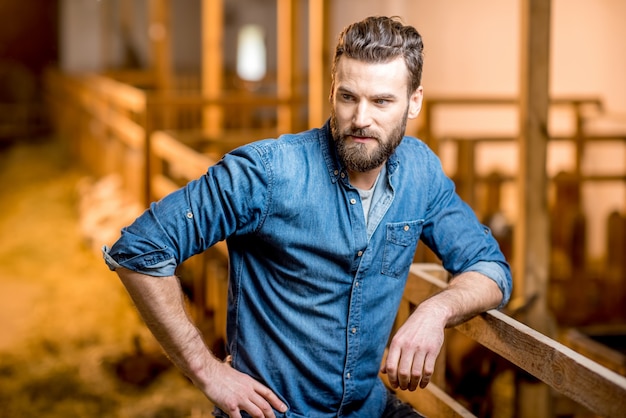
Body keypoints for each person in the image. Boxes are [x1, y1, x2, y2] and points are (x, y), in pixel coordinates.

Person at [103, 15, 512, 418]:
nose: (361, 118)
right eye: (349, 97)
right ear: (332, 90)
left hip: (366, 408)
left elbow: (490, 268)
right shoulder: (267, 172)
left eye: (383, 101)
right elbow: (141, 249)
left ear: (414, 102)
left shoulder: (421, 172)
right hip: (275, 412)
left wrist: (435, 311)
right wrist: (208, 373)